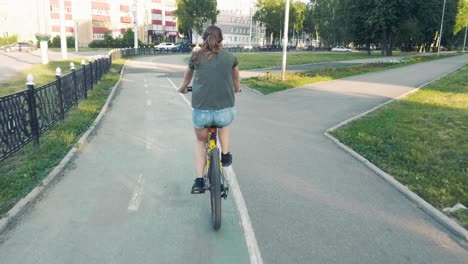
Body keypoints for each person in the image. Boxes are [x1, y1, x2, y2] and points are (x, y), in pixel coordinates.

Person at [178, 25, 241, 194]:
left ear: (203, 39)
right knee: (224, 120)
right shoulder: (230, 57)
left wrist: (183, 88)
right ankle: (225, 154)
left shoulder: (196, 56)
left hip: (202, 114)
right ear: (221, 40)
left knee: (200, 141)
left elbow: (187, 77)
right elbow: (236, 80)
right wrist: (236, 88)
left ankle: (199, 182)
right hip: (223, 114)